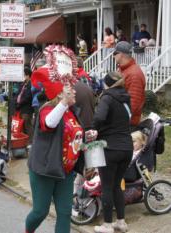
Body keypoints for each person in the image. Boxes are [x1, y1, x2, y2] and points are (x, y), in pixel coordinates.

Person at [25, 64, 84, 233]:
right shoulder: (47, 109)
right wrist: (64, 102)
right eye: (70, 89)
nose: (74, 91)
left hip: (65, 171)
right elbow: (49, 124)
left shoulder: (72, 111)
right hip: (44, 169)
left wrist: (87, 136)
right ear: (60, 93)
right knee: (40, 212)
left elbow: (73, 134)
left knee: (65, 213)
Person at [91, 72, 133, 233]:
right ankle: (121, 222)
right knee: (117, 184)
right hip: (127, 147)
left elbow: (100, 117)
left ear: (106, 84)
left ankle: (107, 225)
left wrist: (92, 129)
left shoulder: (107, 97)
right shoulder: (126, 97)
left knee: (107, 186)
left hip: (110, 148)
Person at [113, 41, 146, 126]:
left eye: (115, 53)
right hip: (120, 121)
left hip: (128, 124)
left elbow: (133, 105)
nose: (113, 55)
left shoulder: (134, 74)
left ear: (121, 54)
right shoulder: (123, 70)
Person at [16, 67, 34, 142]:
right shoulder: (23, 84)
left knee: (27, 125)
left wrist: (20, 103)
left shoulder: (31, 84)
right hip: (21, 108)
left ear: (28, 75)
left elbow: (28, 97)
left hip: (27, 108)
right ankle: (25, 140)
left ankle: (31, 141)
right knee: (22, 125)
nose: (23, 76)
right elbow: (19, 93)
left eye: (24, 75)